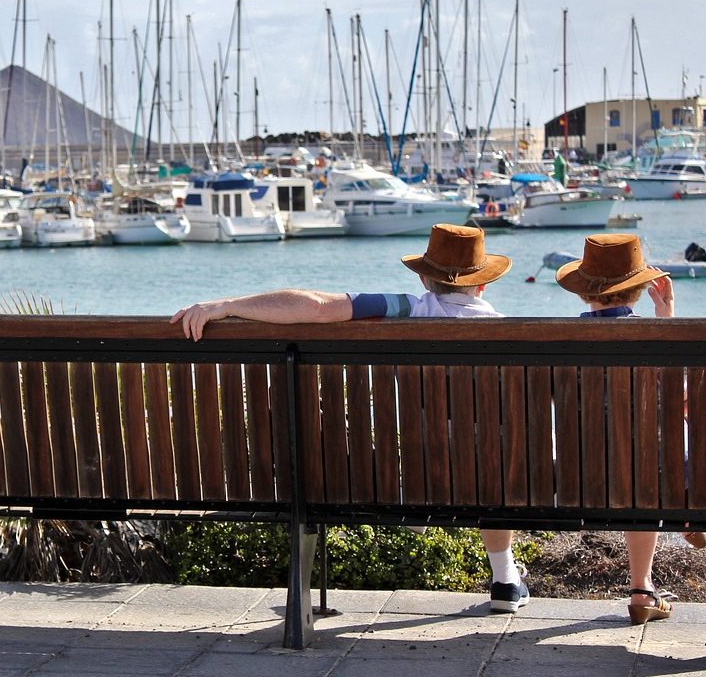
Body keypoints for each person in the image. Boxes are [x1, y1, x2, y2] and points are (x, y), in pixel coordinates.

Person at [171, 223, 531, 615]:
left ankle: (420, 498)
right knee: (490, 451)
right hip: (492, 477)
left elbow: (316, 307)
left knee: (437, 443)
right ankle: (505, 579)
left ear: (426, 279)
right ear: (482, 286)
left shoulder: (407, 309)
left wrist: (225, 306)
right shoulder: (509, 330)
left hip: (413, 470)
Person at [555, 233, 706, 626]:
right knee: (660, 450)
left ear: (583, 291)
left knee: (628, 454)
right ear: (641, 289)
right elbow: (682, 398)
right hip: (652, 474)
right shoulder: (654, 337)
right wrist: (667, 318)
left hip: (581, 470)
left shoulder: (561, 340)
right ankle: (681, 513)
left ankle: (649, 577)